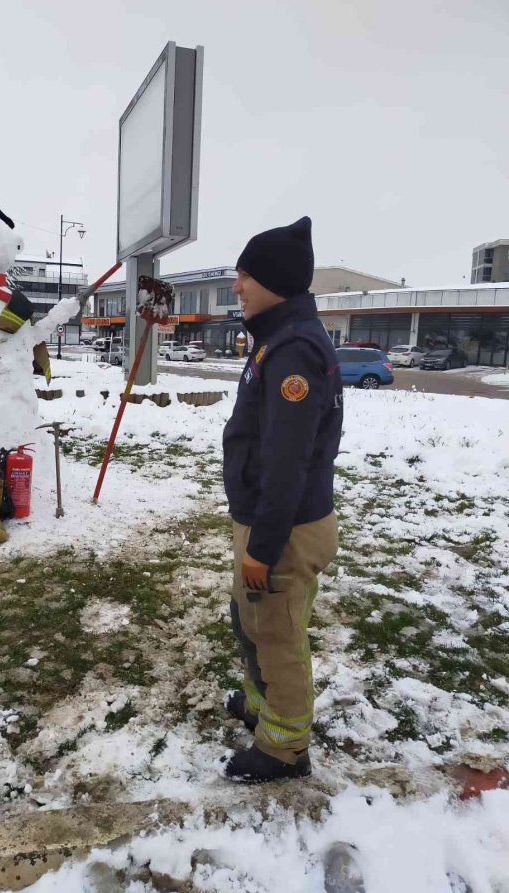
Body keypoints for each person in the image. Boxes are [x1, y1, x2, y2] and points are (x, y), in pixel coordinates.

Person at [221, 216, 343, 783]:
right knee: (250, 619)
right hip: (268, 521)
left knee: (276, 630)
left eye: (244, 276)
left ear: (274, 281)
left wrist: (262, 550)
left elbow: (287, 464)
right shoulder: (276, 339)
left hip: (284, 529)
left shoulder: (292, 351)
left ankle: (285, 748)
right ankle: (263, 707)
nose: (237, 286)